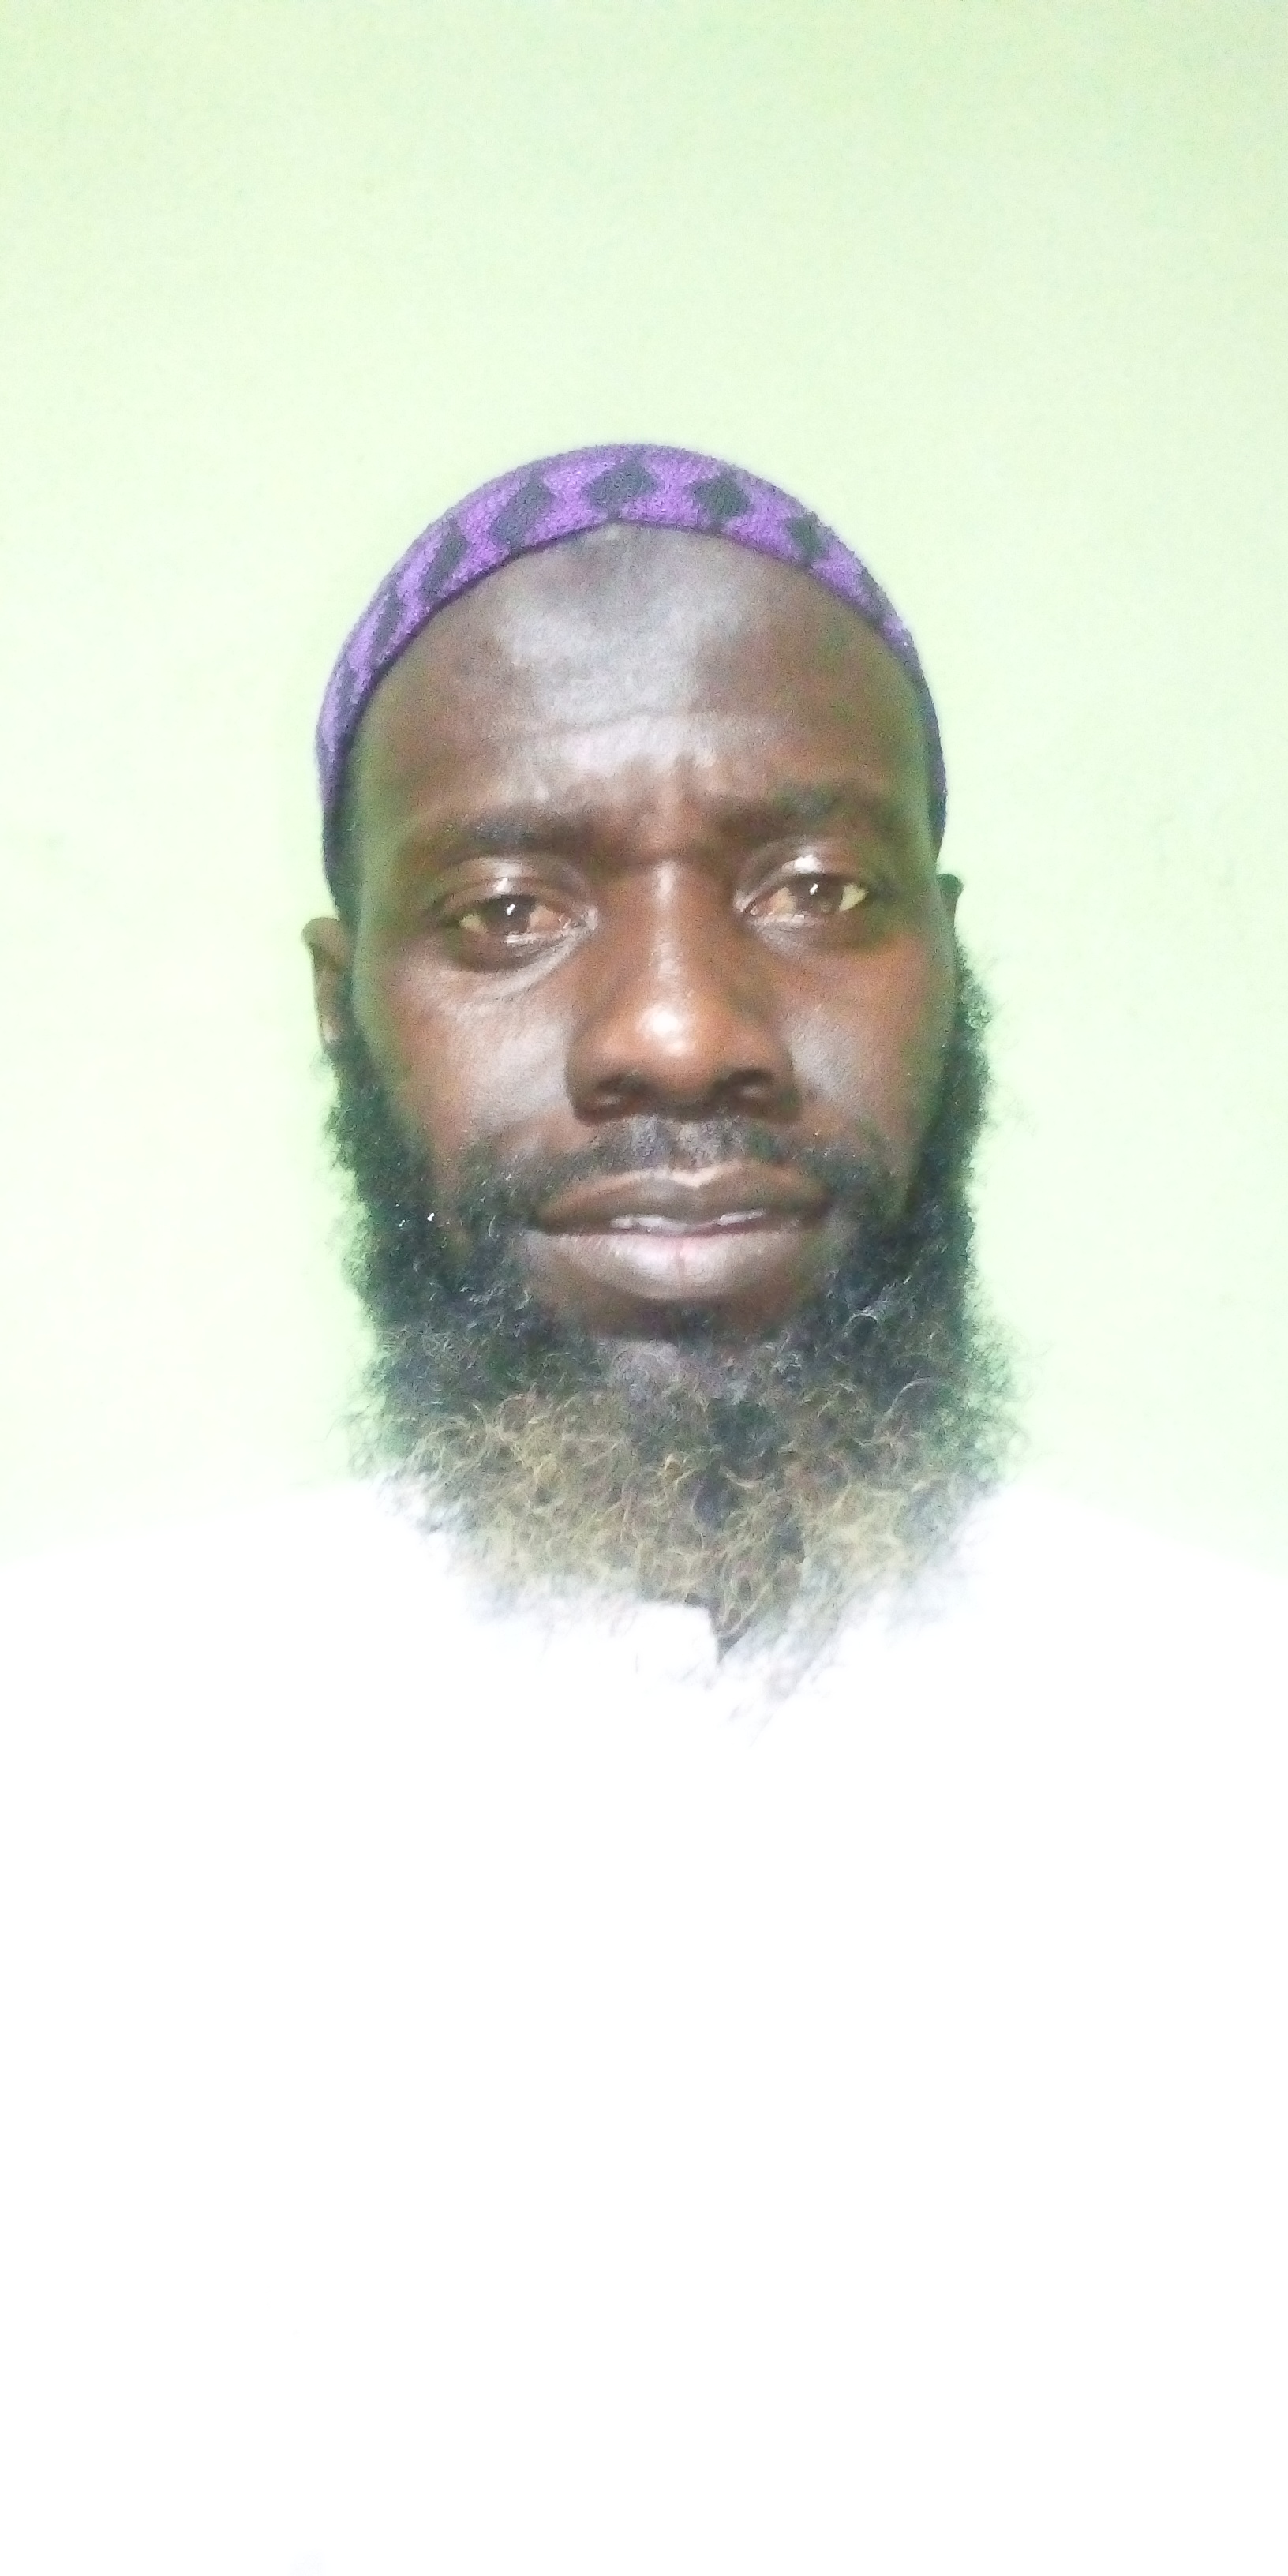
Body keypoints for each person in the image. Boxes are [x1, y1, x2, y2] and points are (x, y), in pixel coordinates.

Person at [2, 447, 1284, 2574]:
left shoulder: (1242, 1749)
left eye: (818, 891)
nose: (682, 1035)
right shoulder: (55, 1773)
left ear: (947, 966)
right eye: (508, 911)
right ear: (343, 1001)